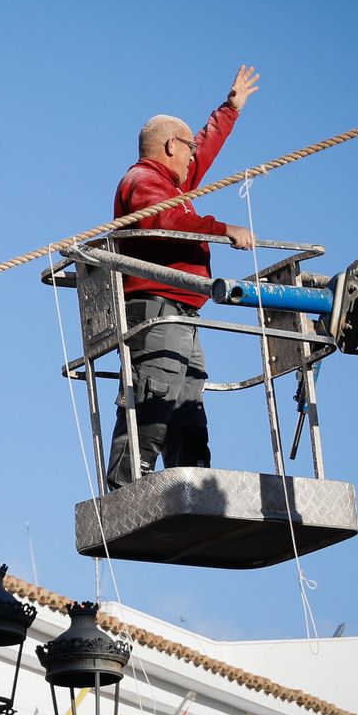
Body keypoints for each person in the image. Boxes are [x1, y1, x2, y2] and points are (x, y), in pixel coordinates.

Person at [104, 65, 260, 490]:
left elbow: (203, 154)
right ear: (172, 145)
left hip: (181, 311)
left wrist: (229, 111)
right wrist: (223, 229)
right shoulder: (142, 181)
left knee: (187, 397)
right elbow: (164, 219)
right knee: (156, 391)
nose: (193, 155)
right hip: (156, 308)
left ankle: (189, 484)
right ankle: (125, 487)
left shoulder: (169, 182)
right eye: (187, 147)